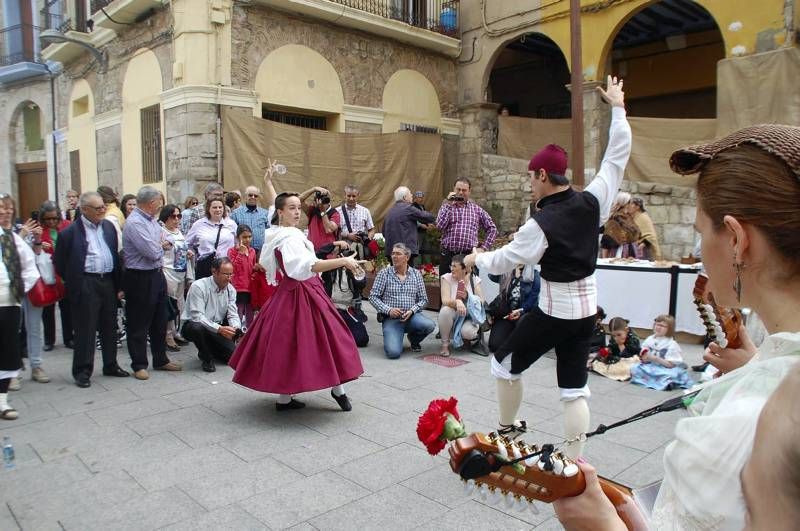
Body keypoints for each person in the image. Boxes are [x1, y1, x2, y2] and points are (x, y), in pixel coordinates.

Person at [553, 123, 800, 529]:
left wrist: (601, 525)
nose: (700, 249)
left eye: (701, 232)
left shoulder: (731, 433)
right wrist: (756, 367)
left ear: (737, 240)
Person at [463, 76, 630, 459]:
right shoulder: (593, 201)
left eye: (531, 177)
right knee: (573, 389)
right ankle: (574, 461)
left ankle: (507, 427)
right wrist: (618, 109)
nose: (530, 185)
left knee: (504, 363)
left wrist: (476, 259)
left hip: (554, 312)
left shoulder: (540, 225)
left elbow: (507, 259)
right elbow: (616, 157)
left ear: (542, 175)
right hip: (587, 312)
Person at [229, 191, 364, 412]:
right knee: (323, 339)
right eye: (291, 208)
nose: (297, 211)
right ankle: (333, 390)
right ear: (280, 213)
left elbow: (275, 201)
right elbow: (309, 266)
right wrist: (344, 261)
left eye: (298, 207)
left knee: (291, 343)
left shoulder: (279, 231)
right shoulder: (289, 238)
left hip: (300, 291)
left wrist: (269, 182)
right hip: (300, 291)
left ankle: (294, 397)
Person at [54, 191, 129, 387]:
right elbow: (60, 263)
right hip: (86, 282)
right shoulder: (69, 233)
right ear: (84, 210)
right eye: (98, 208)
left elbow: (115, 255)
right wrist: (75, 282)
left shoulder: (108, 227)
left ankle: (110, 364)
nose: (103, 210)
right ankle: (82, 370)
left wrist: (118, 284)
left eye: (104, 206)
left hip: (107, 281)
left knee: (109, 326)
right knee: (86, 328)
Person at [122, 186, 182, 380]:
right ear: (151, 203)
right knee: (139, 321)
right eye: (159, 201)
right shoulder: (135, 223)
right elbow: (152, 251)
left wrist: (161, 245)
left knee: (160, 318)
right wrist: (161, 246)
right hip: (139, 277)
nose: (161, 205)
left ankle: (160, 358)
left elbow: (166, 241)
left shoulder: (152, 221)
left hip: (156, 274)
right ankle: (139, 364)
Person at [0, 194, 39, 420]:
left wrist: (17, 289)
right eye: (1, 209)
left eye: (9, 209)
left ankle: (2, 401)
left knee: (7, 351)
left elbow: (30, 268)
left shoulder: (12, 240)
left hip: (9, 304)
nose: (5, 213)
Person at [368, 242, 435, 358]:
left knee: (429, 325)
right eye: (393, 253)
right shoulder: (384, 273)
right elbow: (373, 297)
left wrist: (412, 310)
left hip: (412, 317)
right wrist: (388, 310)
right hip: (391, 319)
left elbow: (424, 299)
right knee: (393, 353)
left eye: (398, 254)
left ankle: (413, 340)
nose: (394, 256)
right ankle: (394, 335)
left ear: (407, 257)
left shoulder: (416, 274)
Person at [181, 257, 241, 372]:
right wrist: (219, 329)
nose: (229, 278)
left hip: (217, 327)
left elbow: (233, 314)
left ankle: (210, 348)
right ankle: (206, 358)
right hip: (195, 326)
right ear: (214, 272)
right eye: (225, 274)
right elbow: (197, 316)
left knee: (233, 356)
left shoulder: (231, 290)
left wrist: (236, 330)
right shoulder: (199, 286)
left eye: (231, 274)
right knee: (196, 327)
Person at [436, 178, 497, 276]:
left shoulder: (477, 210)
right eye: (458, 189)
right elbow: (439, 226)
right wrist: (449, 204)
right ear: (453, 190)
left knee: (467, 289)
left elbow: (492, 229)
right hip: (448, 255)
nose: (460, 192)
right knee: (446, 287)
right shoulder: (446, 207)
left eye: (464, 190)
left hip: (468, 257)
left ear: (469, 191)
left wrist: (483, 248)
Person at [38, 201, 73, 352]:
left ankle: (69, 337)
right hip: (48, 274)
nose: (51, 222)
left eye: (54, 218)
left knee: (67, 308)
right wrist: (38, 243)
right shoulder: (39, 230)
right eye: (48, 219)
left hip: (64, 272)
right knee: (48, 309)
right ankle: (49, 340)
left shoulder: (68, 225)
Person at [298, 185, 343, 297]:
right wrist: (313, 189)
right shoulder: (312, 211)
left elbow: (328, 229)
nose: (323, 201)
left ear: (329, 199)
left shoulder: (334, 214)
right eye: (320, 198)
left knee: (326, 289)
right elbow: (299, 200)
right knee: (310, 286)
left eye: (325, 198)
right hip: (311, 254)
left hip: (327, 257)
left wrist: (323, 212)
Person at [438, 254, 486, 357]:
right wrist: (457, 302)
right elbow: (445, 300)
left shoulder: (474, 279)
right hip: (452, 314)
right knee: (445, 310)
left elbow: (481, 301)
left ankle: (465, 338)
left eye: (455, 266)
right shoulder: (446, 278)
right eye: (451, 266)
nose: (452, 269)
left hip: (468, 315)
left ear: (465, 269)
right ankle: (445, 345)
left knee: (469, 332)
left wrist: (468, 298)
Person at [629, 315, 692, 390]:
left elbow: (671, 365)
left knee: (671, 374)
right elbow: (643, 355)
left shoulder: (671, 344)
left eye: (662, 326)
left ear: (669, 329)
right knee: (635, 368)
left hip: (665, 368)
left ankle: (664, 383)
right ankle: (654, 381)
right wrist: (644, 358)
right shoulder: (650, 339)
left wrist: (655, 358)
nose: (658, 327)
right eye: (657, 324)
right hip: (651, 366)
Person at [486, 264, 539, 353]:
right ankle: (511, 334)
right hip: (506, 314)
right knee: (495, 345)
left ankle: (522, 337)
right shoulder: (507, 271)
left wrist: (521, 311)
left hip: (523, 313)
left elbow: (533, 299)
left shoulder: (534, 275)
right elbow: (492, 275)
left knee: (521, 346)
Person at [336, 184, 375, 302]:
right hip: (343, 249)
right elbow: (334, 231)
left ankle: (358, 297)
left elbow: (371, 229)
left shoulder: (365, 211)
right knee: (344, 273)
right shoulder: (337, 211)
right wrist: (348, 235)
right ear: (345, 195)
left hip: (360, 250)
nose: (351, 198)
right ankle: (345, 297)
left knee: (359, 273)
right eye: (349, 196)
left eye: (354, 196)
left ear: (358, 196)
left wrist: (367, 238)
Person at [159, 204, 190, 352]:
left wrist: (188, 252)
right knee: (169, 304)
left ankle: (176, 332)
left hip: (180, 271)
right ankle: (168, 336)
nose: (176, 219)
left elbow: (182, 247)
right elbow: (155, 249)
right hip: (168, 271)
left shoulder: (179, 232)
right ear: (166, 217)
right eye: (173, 216)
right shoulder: (161, 231)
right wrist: (162, 246)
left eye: (179, 216)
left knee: (179, 305)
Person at [185, 198, 237, 279]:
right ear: (208, 209)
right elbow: (187, 243)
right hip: (206, 266)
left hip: (226, 266)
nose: (218, 210)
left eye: (220, 207)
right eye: (214, 207)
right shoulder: (198, 225)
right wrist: (190, 252)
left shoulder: (231, 224)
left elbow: (237, 243)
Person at [382, 186, 435, 266]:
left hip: (391, 252)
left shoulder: (390, 211)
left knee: (395, 276)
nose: (412, 196)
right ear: (404, 197)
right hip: (405, 252)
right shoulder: (408, 208)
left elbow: (384, 232)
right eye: (410, 194)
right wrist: (442, 214)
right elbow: (426, 216)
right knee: (405, 276)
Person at [230, 175, 276, 255]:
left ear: (258, 198)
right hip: (242, 251)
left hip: (261, 252)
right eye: (250, 195)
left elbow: (269, 231)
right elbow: (232, 232)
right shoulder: (236, 213)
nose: (253, 197)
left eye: (256, 195)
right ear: (245, 197)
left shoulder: (265, 213)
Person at [590, 316, 640, 381]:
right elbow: (612, 347)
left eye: (619, 335)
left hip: (629, 359)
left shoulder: (633, 338)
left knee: (629, 367)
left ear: (627, 330)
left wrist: (621, 345)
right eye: (613, 335)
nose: (616, 338)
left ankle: (615, 372)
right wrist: (607, 350)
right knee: (598, 359)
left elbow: (630, 356)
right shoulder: (614, 337)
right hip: (617, 357)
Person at [228, 224, 256, 328]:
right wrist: (240, 253)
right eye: (244, 237)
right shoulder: (232, 251)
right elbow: (233, 268)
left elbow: (252, 268)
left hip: (250, 287)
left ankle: (249, 334)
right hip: (238, 288)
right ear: (237, 238)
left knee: (250, 313)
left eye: (249, 236)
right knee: (238, 312)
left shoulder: (252, 251)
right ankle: (237, 333)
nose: (247, 239)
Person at [600, 192, 640, 259]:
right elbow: (606, 240)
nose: (632, 205)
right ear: (625, 204)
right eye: (630, 202)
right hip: (619, 253)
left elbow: (635, 233)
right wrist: (605, 260)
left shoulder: (628, 217)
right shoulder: (615, 219)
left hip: (630, 251)